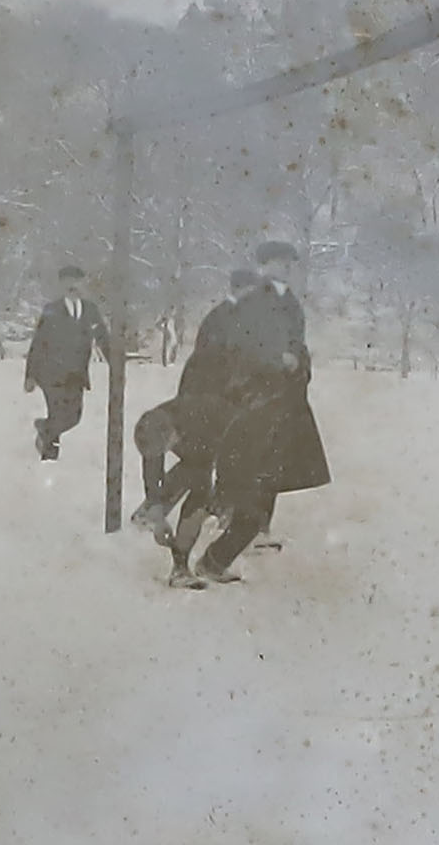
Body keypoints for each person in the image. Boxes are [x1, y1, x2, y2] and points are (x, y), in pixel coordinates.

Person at [171, 240, 330, 589]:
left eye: (289, 262)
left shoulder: (290, 303)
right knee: (240, 488)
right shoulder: (252, 304)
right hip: (250, 407)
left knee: (259, 492)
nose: (285, 267)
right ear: (262, 265)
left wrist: (298, 365)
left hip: (281, 409)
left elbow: (298, 350)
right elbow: (238, 351)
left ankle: (213, 559)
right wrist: (277, 364)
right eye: (277, 262)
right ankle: (193, 559)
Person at [133, 268, 258, 530]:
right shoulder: (223, 317)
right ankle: (214, 512)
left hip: (215, 396)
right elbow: (213, 360)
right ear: (239, 289)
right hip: (209, 396)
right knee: (206, 459)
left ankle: (156, 509)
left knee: (198, 461)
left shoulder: (241, 317)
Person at [24, 264, 113, 460]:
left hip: (76, 374)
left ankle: (44, 428)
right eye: (67, 282)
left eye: (76, 281)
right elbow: (38, 344)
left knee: (73, 418)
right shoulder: (51, 310)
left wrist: (115, 362)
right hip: (51, 373)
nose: (72, 286)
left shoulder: (91, 310)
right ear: (61, 285)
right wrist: (30, 375)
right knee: (57, 413)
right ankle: (49, 458)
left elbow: (103, 338)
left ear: (82, 284)